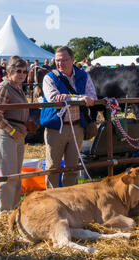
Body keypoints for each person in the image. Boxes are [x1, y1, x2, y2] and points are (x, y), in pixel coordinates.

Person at [41, 46, 97, 189]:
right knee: (53, 167)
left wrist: (67, 97)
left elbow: (92, 97)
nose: (60, 63)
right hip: (56, 128)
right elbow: (54, 98)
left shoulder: (83, 75)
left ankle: (70, 199)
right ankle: (52, 199)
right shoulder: (49, 77)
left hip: (77, 127)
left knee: (72, 167)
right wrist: (80, 98)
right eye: (58, 60)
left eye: (64, 60)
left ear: (72, 60)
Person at [0, 56, 36, 218]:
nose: (22, 74)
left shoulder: (18, 87)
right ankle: (1, 215)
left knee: (15, 176)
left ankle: (14, 212)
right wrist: (13, 132)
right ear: (9, 72)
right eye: (18, 71)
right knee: (7, 176)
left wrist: (27, 121)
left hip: (17, 133)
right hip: (5, 134)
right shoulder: (4, 87)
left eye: (24, 71)